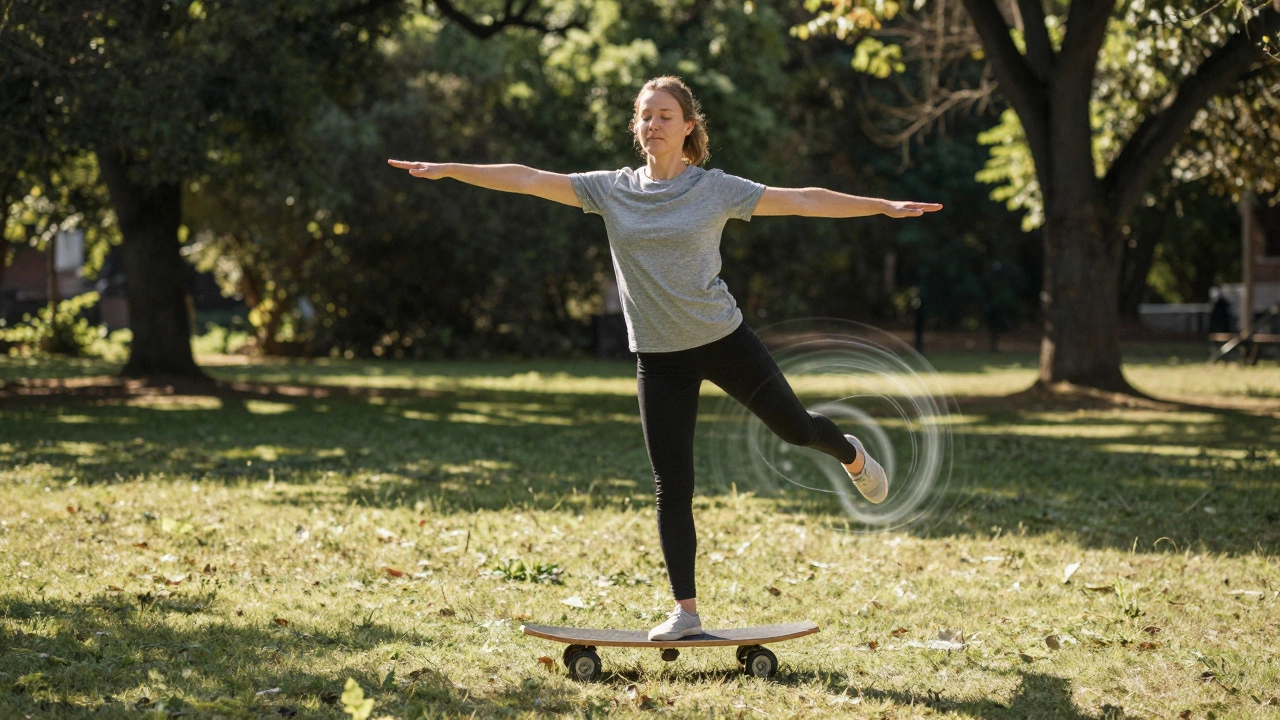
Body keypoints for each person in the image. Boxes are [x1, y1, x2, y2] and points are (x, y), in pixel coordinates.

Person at [389, 76, 942, 641]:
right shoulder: (610, 190)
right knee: (671, 484)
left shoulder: (716, 189)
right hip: (658, 357)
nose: (652, 124)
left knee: (798, 430)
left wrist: (883, 207)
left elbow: (802, 200)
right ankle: (687, 611)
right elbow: (530, 179)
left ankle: (850, 453)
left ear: (688, 127)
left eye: (664, 115)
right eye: (644, 115)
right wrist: (451, 168)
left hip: (724, 340)